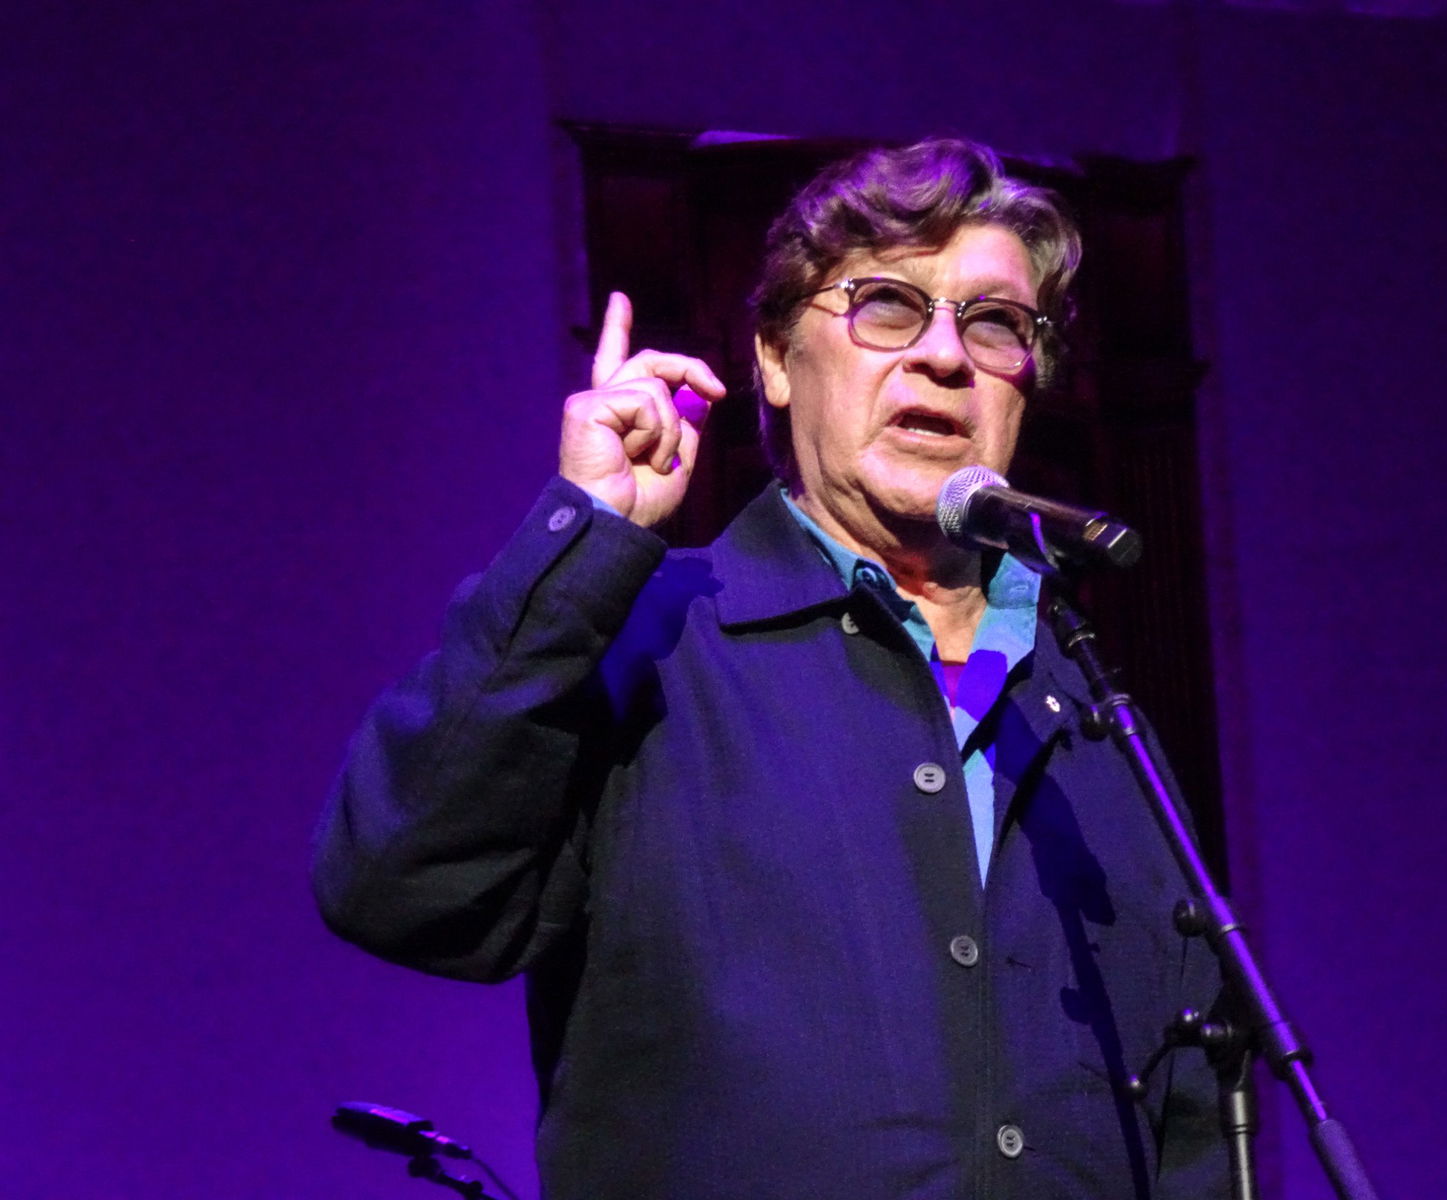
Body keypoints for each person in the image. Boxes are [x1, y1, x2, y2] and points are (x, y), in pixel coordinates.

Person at [314, 137, 1226, 1199]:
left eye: (993, 324)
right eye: (889, 305)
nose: (945, 356)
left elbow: (1191, 1122)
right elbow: (398, 889)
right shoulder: (647, 638)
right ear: (777, 360)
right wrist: (583, 537)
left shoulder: (1091, 709)